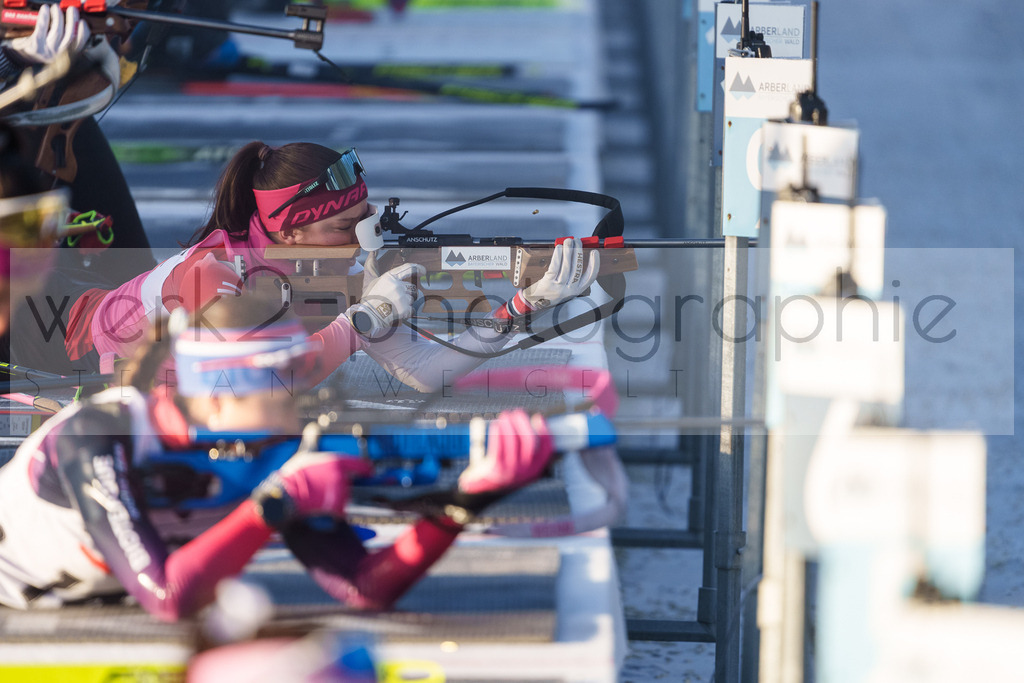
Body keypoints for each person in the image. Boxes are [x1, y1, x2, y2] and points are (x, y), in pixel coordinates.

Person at [0, 291, 556, 620]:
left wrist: (464, 503)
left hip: (83, 610)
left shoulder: (267, 449)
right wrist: (270, 507)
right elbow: (167, 596)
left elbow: (365, 586)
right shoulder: (98, 436)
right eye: (287, 379)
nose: (307, 394)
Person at [17, 140, 599, 390]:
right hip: (37, 338)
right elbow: (258, 376)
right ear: (292, 229)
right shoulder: (215, 272)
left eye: (368, 218)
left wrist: (524, 307)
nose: (364, 237)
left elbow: (424, 370)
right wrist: (362, 323)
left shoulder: (339, 271)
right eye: (345, 227)